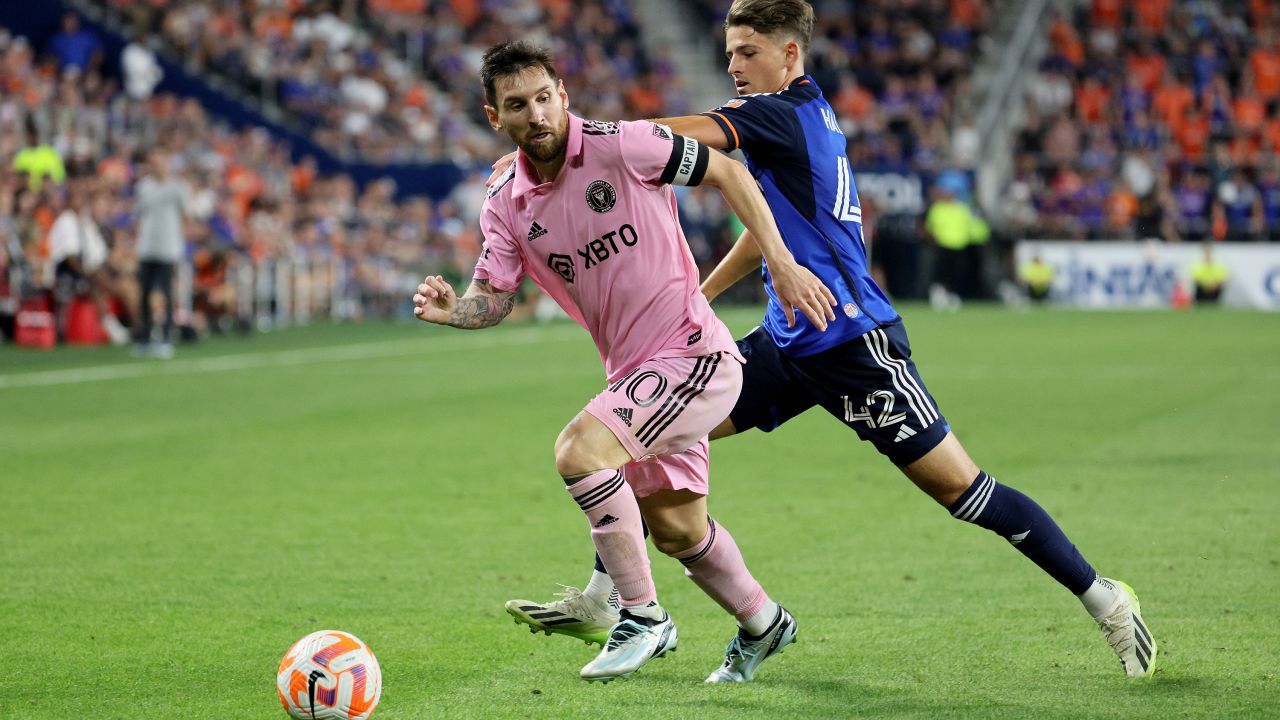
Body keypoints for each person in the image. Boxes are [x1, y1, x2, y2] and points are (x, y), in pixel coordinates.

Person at [503, 0, 1157, 679]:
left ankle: (1103, 596)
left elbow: (650, 138)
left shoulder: (777, 115)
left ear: (790, 56)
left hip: (854, 344)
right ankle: (614, 600)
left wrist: (569, 138)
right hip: (786, 344)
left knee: (964, 492)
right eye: (729, 52)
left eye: (748, 52)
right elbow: (769, 232)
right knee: (647, 433)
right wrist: (703, 291)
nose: (733, 65)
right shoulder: (797, 119)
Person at [413, 41, 836, 683]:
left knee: (580, 451)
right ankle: (765, 622)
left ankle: (640, 618)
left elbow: (728, 171)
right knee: (676, 530)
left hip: (692, 353)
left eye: (545, 97)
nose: (537, 115)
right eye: (517, 106)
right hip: (634, 373)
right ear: (495, 117)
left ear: (564, 93)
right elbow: (494, 297)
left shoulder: (623, 144)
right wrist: (455, 310)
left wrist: (780, 259)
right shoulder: (504, 199)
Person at [133, 150, 187, 358]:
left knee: (167, 293)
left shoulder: (177, 187)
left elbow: (185, 211)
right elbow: (142, 210)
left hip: (168, 247)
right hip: (147, 246)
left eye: (160, 162)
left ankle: (165, 338)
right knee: (145, 294)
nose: (157, 166)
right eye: (153, 162)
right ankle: (144, 338)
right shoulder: (144, 186)